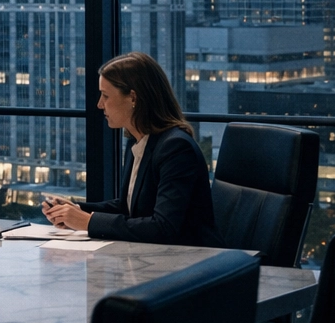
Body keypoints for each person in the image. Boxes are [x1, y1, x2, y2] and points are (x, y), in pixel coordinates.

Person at [41, 51, 222, 247]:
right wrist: (75, 211)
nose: (100, 105)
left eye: (105, 96)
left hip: (191, 258)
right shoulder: (137, 141)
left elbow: (163, 228)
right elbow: (127, 208)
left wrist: (87, 222)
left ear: (133, 98)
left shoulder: (176, 148)